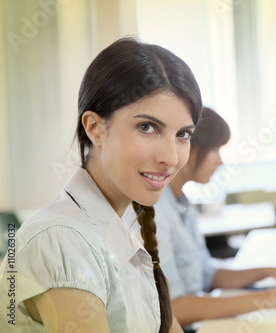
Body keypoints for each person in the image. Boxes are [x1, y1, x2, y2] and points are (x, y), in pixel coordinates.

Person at [0, 37, 202, 333]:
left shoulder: (125, 224)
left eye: (182, 134)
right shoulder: (60, 239)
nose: (170, 157)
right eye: (147, 127)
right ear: (95, 128)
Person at [151, 108, 276, 328]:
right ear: (186, 146)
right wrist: (272, 297)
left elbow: (208, 275)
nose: (220, 162)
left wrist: (269, 272)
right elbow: (174, 310)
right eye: (214, 149)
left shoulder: (183, 204)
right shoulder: (156, 213)